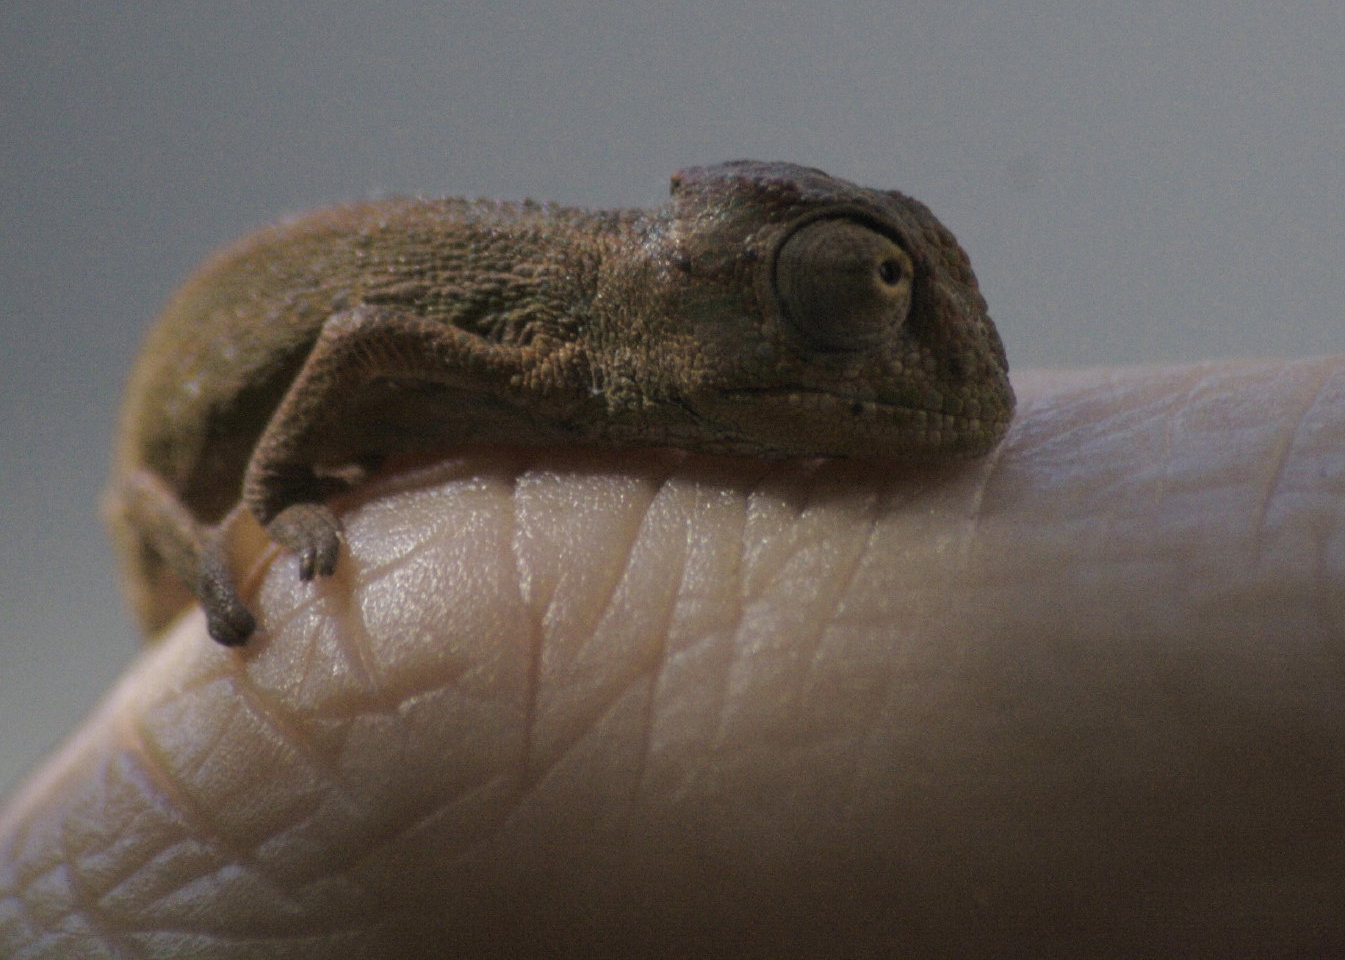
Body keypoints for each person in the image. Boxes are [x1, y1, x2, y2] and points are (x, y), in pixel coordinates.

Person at [3, 360, 1343, 957]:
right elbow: (359, 335)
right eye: (841, 293)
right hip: (185, 472)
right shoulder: (576, 326)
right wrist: (281, 485)